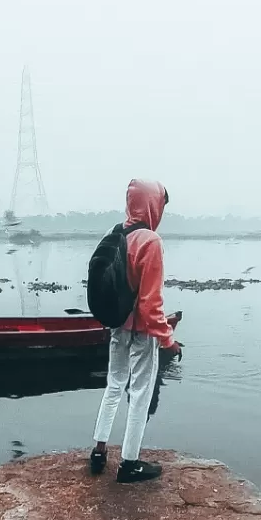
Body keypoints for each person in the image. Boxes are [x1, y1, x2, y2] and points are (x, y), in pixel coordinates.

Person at [89, 179, 179, 483]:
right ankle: (129, 463)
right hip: (142, 331)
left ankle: (99, 451)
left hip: (117, 324)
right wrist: (168, 340)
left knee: (114, 385)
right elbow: (150, 304)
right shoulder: (150, 242)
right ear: (152, 205)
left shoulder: (116, 234)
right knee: (140, 393)